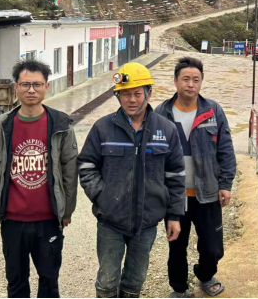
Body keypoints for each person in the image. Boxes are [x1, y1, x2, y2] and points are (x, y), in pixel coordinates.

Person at [78, 62, 186, 298]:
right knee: (107, 281)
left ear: (149, 92)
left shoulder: (166, 130)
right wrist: (102, 196)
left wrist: (174, 216)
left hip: (146, 223)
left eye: (137, 93)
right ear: (118, 96)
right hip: (111, 222)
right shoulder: (103, 128)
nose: (132, 100)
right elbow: (86, 165)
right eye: (125, 94)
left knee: (134, 282)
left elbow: (176, 175)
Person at [0, 59, 78, 298]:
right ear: (16, 87)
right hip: (13, 220)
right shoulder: (2, 125)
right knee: (16, 282)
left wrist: (66, 210)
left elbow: (69, 171)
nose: (31, 90)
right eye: (25, 84)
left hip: (48, 219)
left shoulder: (60, 124)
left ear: (47, 86)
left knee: (49, 280)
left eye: (37, 84)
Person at [154, 56, 237, 298]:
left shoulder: (213, 111)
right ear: (175, 81)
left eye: (196, 79)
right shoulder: (161, 113)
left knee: (212, 247)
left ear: (201, 82)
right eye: (185, 79)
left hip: (207, 193)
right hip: (175, 197)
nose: (190, 84)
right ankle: (179, 288)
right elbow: (153, 156)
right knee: (176, 246)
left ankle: (205, 275)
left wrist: (225, 184)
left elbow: (225, 149)